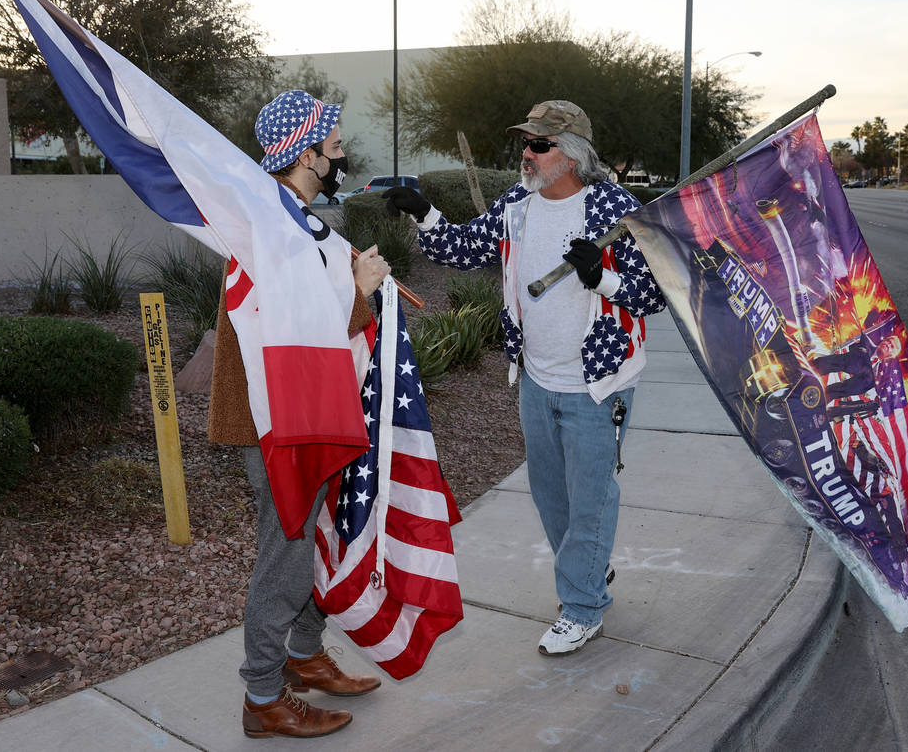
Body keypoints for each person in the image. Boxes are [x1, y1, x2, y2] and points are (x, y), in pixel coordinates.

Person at [386, 100, 667, 656]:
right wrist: (424, 213)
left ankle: (583, 607)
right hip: (536, 377)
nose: (528, 154)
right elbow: (465, 248)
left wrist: (603, 280)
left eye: (541, 145)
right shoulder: (519, 203)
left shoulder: (614, 208)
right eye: (527, 143)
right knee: (551, 499)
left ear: (574, 155)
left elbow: (654, 293)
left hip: (598, 383)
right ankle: (588, 572)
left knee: (591, 498)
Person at [207, 89, 389, 738]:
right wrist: (360, 293)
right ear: (307, 154)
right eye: (333, 144)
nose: (342, 154)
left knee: (315, 536)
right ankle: (263, 695)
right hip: (277, 419)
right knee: (285, 552)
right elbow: (293, 337)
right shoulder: (274, 229)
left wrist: (350, 280)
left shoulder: (291, 219)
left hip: (303, 411)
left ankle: (304, 654)